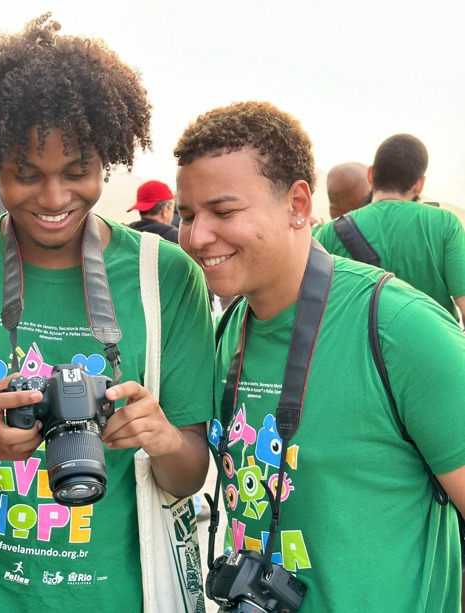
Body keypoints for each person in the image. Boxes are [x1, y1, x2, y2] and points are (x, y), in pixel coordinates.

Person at [0, 13, 214, 612]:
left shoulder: (166, 276)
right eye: (26, 174)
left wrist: (160, 437)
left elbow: (186, 476)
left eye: (78, 171)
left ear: (107, 160)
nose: (56, 199)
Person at [174, 100, 465, 611]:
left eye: (223, 212)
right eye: (187, 215)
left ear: (299, 205)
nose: (198, 237)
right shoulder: (226, 329)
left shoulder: (398, 328)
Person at [315, 133, 465, 321]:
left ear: (370, 175)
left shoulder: (330, 232)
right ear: (419, 185)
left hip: (363, 349)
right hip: (434, 347)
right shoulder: (446, 223)